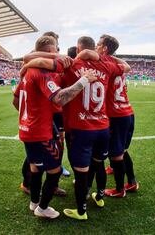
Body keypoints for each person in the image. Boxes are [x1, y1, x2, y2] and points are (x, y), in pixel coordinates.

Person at [13, 35, 96, 219]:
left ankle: (34, 201)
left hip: (27, 130)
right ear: (51, 51)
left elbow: (15, 101)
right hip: (40, 132)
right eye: (57, 49)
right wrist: (83, 81)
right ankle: (42, 208)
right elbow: (60, 98)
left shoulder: (27, 72)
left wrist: (30, 114)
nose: (58, 52)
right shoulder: (41, 72)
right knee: (54, 171)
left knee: (35, 167)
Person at [61, 36, 130, 220]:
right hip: (102, 127)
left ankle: (81, 211)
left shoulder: (72, 65)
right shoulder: (107, 66)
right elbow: (126, 67)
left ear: (78, 48)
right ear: (95, 48)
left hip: (81, 127)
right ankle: (99, 197)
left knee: (81, 171)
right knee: (99, 163)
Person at [79, 35, 138, 198]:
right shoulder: (116, 63)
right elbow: (127, 67)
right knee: (121, 150)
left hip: (116, 115)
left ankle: (120, 189)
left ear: (104, 49)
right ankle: (131, 181)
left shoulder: (104, 62)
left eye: (98, 45)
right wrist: (112, 54)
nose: (95, 47)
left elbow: (86, 54)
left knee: (117, 154)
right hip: (127, 112)